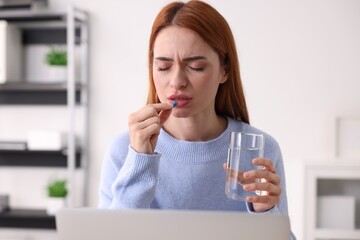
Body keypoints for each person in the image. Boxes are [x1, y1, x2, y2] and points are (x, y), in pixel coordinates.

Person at [99, 1, 296, 239]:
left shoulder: (259, 150)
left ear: (224, 70)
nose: (176, 81)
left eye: (195, 66)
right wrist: (139, 162)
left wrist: (267, 215)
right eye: (163, 67)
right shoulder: (124, 150)